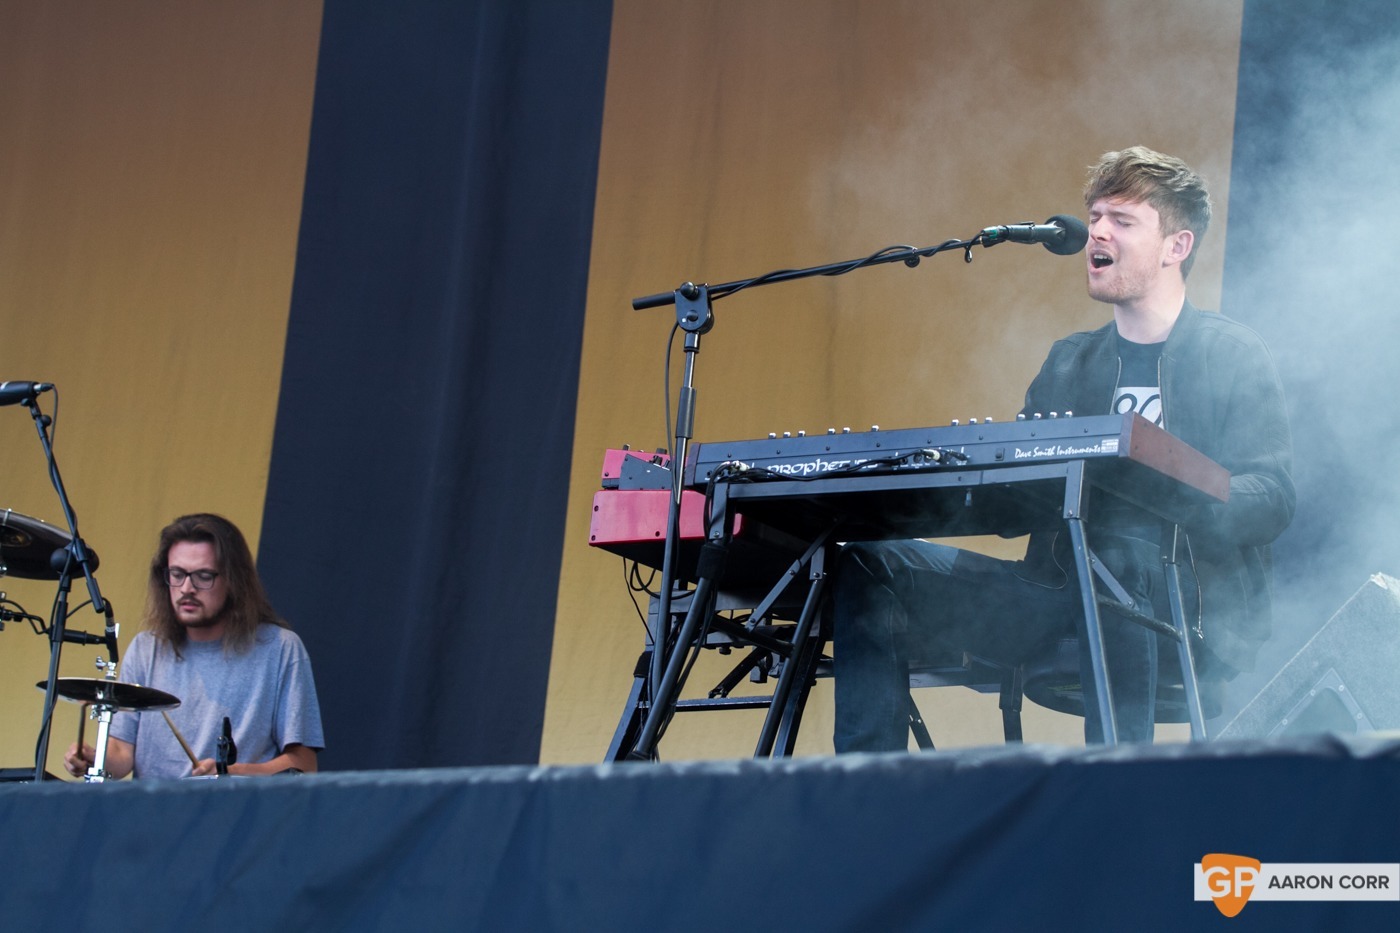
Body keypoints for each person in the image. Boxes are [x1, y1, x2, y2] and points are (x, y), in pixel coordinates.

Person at [833, 146, 1295, 750]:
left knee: (1121, 557)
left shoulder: (1231, 353)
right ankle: (869, 796)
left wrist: (1158, 483)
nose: (1097, 232)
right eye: (1096, 216)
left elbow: (1272, 497)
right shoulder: (1070, 360)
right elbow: (1022, 501)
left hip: (1191, 614)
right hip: (1053, 600)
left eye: (1122, 221)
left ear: (1175, 247)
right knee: (870, 564)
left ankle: (1113, 798)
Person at [64, 513, 324, 778]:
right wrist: (94, 759)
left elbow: (303, 764)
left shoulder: (279, 649)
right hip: (154, 814)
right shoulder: (146, 649)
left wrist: (228, 772)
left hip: (238, 813)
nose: (187, 588)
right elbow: (121, 753)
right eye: (177, 574)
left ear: (234, 581)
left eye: (203, 576)